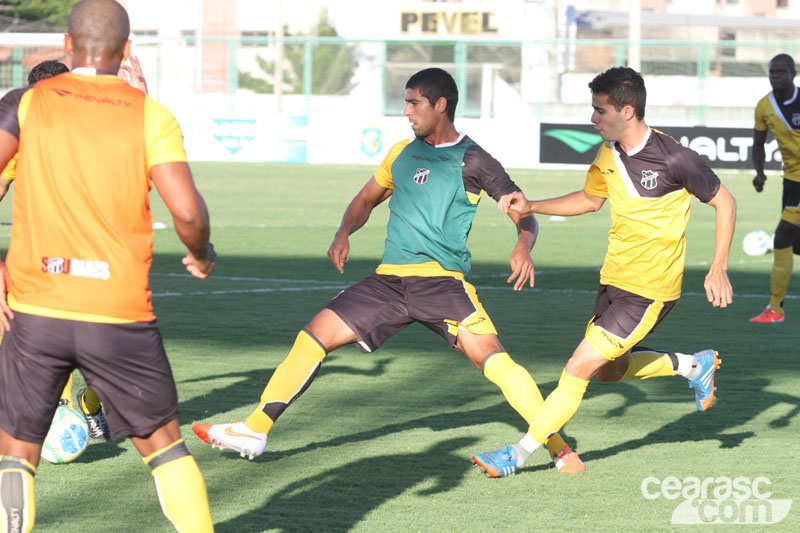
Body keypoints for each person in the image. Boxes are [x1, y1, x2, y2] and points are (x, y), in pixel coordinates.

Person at [193, 67, 585, 475]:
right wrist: (343, 232)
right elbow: (366, 199)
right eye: (406, 103)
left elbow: (524, 211)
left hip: (441, 284)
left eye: (414, 103)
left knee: (495, 361)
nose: (407, 112)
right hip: (388, 283)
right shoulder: (400, 153)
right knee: (313, 337)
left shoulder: (474, 160)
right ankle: (255, 430)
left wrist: (522, 246)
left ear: (440, 105)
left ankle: (560, 449)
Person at [0, 1, 216, 531]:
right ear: (126, 50)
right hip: (117, 313)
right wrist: (200, 252)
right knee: (165, 448)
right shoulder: (149, 114)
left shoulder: (26, 104)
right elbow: (188, 212)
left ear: (66, 46)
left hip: (36, 309)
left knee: (15, 455)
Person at [471, 66, 737, 478]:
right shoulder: (607, 154)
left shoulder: (676, 157)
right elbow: (590, 199)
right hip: (613, 281)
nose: (593, 118)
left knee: (578, 366)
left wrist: (717, 268)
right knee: (609, 372)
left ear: (627, 112)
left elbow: (725, 202)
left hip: (649, 290)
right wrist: (532, 205)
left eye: (600, 110)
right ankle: (692, 365)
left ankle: (517, 454)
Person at [0, 56, 149, 442]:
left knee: (113, 351)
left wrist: (141, 96)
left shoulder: (98, 127)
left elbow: (142, 144)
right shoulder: (23, 141)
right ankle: (55, 411)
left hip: (105, 258)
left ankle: (88, 402)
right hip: (45, 262)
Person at [749, 53, 800, 323]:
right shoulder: (764, 106)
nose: (775, 76)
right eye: (772, 72)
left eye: (781, 72)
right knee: (796, 246)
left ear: (793, 74)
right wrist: (760, 173)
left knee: (781, 238)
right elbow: (758, 144)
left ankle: (775, 309)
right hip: (790, 182)